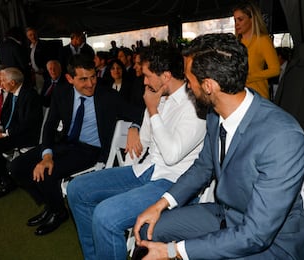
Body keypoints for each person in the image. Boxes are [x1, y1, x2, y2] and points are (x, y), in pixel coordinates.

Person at [133, 33, 304, 260]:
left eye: (189, 81)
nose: (187, 87)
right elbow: (203, 168)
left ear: (208, 86)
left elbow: (256, 234)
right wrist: (160, 204)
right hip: (226, 217)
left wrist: (173, 251)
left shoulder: (282, 137)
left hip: (273, 243)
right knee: (149, 229)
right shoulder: (215, 115)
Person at [66, 42, 207, 259]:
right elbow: (146, 140)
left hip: (174, 183)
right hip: (146, 170)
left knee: (105, 216)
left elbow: (171, 156)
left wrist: (152, 109)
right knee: (77, 189)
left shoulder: (195, 105)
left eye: (148, 75)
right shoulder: (158, 94)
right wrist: (136, 125)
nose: (144, 80)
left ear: (166, 76)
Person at [9, 54, 143, 236]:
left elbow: (140, 113)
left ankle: (58, 212)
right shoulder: (61, 92)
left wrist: (134, 128)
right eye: (83, 79)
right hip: (63, 143)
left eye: (93, 76)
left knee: (49, 173)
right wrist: (47, 155)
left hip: (90, 150)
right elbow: (49, 126)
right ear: (70, 79)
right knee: (17, 166)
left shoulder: (108, 95)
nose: (90, 84)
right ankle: (51, 203)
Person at [0, 67, 43, 200]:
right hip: (12, 132)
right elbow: (6, 116)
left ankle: (6, 182)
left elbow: (28, 124)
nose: (0, 84)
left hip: (26, 136)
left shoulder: (30, 96)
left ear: (12, 82)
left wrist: (3, 134)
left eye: (3, 80)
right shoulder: (12, 93)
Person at [233, 0, 280, 99]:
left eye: (240, 19)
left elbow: (275, 70)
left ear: (251, 19)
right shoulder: (235, 43)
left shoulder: (262, 40)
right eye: (235, 20)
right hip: (238, 95)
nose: (236, 24)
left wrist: (249, 77)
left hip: (257, 95)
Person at [26, 27, 49, 95]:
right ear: (27, 37)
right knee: (37, 91)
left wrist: (44, 69)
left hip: (43, 73)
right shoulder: (28, 47)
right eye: (30, 35)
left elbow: (48, 57)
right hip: (34, 74)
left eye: (34, 34)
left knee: (44, 91)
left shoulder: (44, 44)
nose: (33, 36)